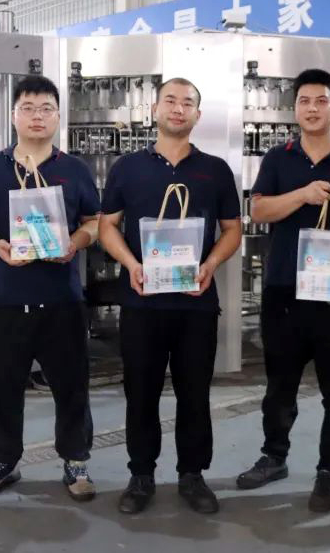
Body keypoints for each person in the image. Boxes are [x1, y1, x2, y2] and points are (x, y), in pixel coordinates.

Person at [236, 68, 330, 513]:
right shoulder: (278, 159)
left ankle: (329, 470)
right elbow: (259, 210)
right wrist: (303, 194)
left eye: (321, 100)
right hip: (283, 291)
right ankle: (274, 456)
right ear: (294, 109)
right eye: (304, 101)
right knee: (280, 384)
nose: (313, 108)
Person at [99, 77, 242, 515]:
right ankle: (141, 474)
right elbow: (107, 226)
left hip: (196, 303)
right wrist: (131, 264)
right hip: (142, 302)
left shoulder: (215, 170)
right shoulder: (127, 168)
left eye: (187, 103)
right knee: (140, 392)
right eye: (170, 101)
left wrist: (211, 263)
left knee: (194, 393)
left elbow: (232, 230)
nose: (178, 109)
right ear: (154, 109)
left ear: (198, 114)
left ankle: (192, 475)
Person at [0, 75, 100, 502]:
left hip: (61, 302)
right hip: (4, 300)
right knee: (0, 387)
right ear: (13, 115)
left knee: (72, 387)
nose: (38, 116)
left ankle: (76, 460)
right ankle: (2, 460)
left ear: (58, 116)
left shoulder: (74, 170)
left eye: (46, 109)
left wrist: (75, 242)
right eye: (28, 108)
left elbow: (94, 222)